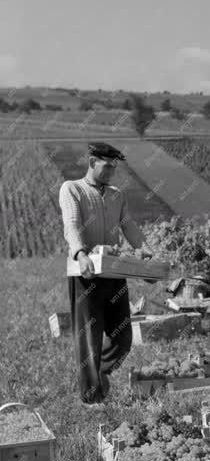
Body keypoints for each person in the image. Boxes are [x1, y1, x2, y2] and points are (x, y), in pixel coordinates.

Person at [59, 142, 154, 409]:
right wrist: (80, 254)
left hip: (114, 271)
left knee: (123, 336)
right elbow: (72, 225)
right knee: (90, 335)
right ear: (91, 162)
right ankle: (92, 399)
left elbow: (129, 225)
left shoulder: (116, 195)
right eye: (107, 166)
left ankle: (102, 371)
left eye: (114, 167)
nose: (112, 171)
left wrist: (145, 250)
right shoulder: (72, 189)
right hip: (85, 273)